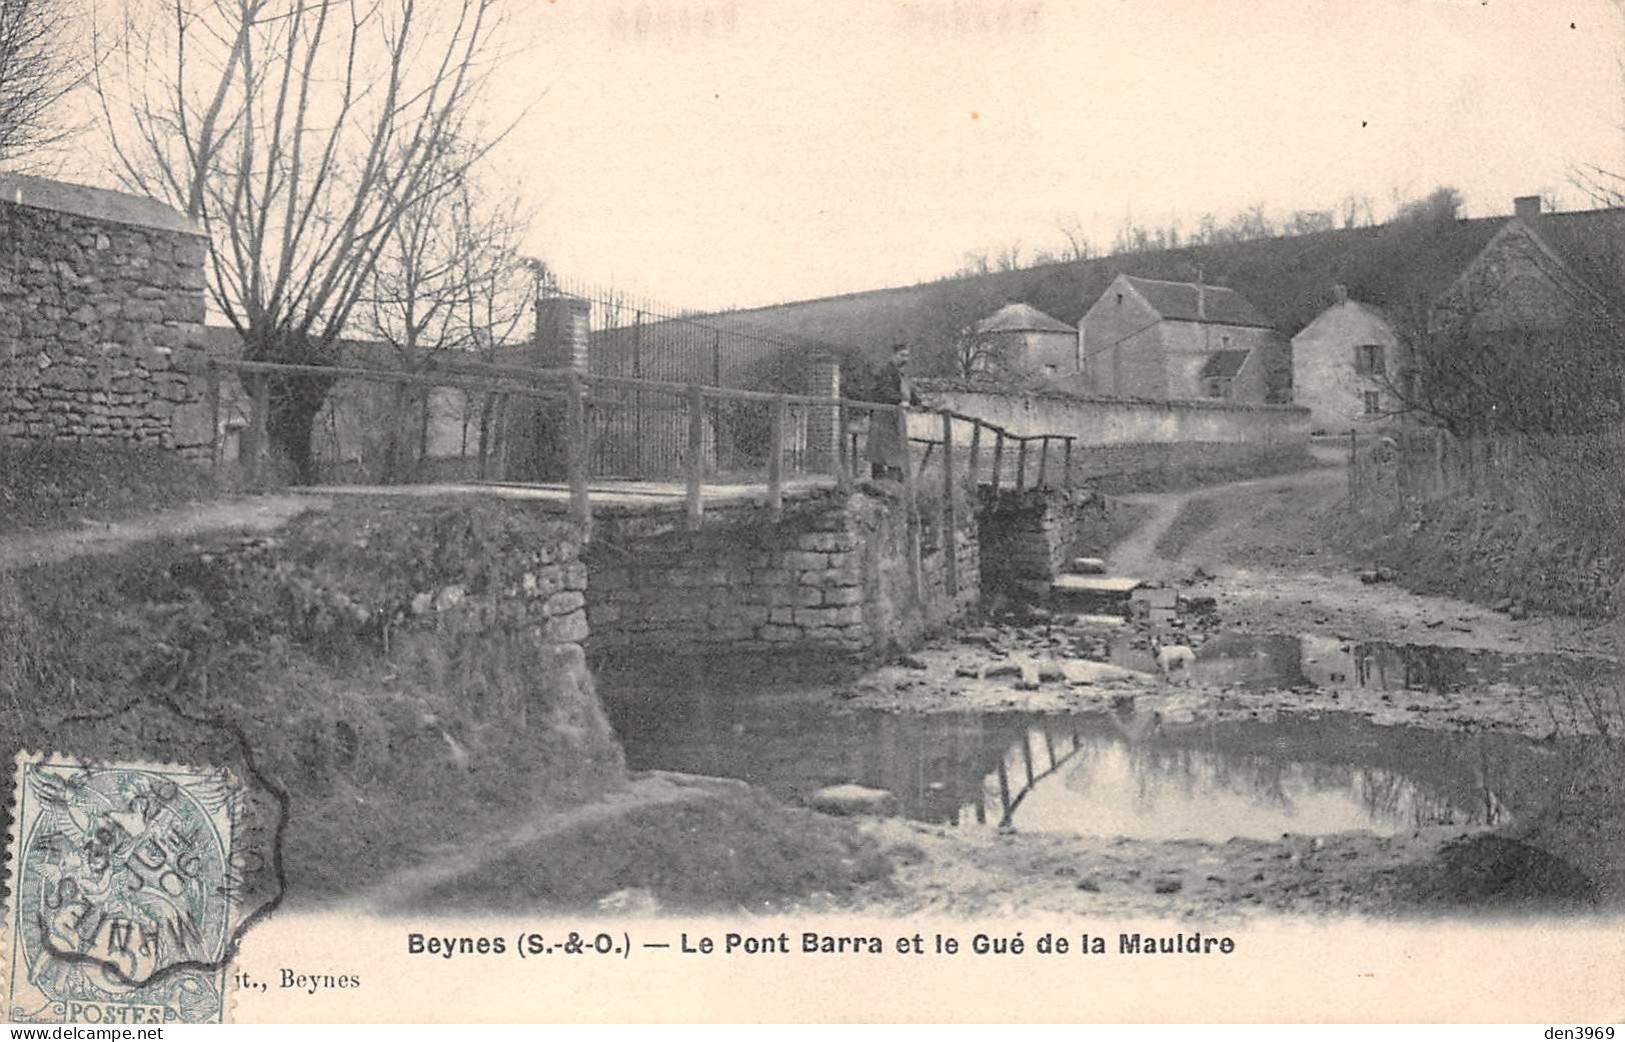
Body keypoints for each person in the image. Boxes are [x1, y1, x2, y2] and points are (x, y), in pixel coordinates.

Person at [866, 342, 918, 481]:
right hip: (883, 414)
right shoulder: (885, 371)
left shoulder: (903, 374)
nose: (905, 359)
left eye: (907, 356)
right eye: (902, 355)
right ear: (894, 355)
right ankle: (880, 481)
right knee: (880, 448)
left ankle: (896, 480)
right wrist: (900, 400)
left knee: (896, 446)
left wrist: (920, 403)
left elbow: (910, 392)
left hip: (896, 416)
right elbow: (885, 390)